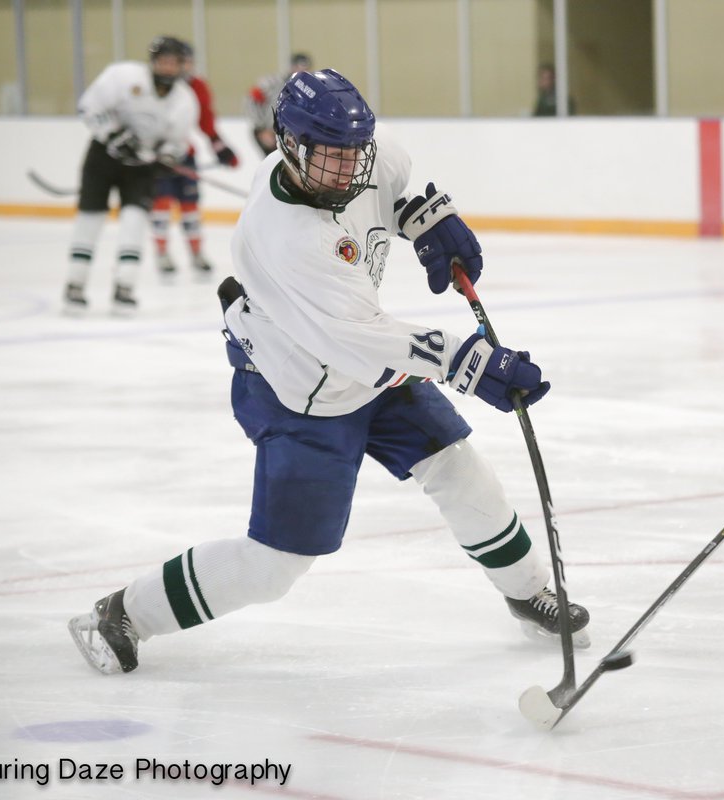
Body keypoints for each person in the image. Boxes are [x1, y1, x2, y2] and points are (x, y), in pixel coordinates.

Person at [68, 68, 590, 675]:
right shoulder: (285, 235)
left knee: (459, 468)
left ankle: (527, 592)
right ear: (286, 144)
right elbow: (360, 341)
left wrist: (429, 217)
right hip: (300, 391)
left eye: (354, 153)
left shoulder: (358, 149)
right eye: (329, 157)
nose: (348, 170)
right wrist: (472, 363)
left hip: (372, 370)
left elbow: (399, 178)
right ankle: (126, 612)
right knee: (273, 566)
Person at [63, 36, 199, 313]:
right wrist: (114, 134)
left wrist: (167, 157)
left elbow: (178, 141)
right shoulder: (122, 76)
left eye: (174, 63)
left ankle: (125, 286)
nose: (168, 68)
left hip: (141, 167)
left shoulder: (185, 99)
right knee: (90, 217)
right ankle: (75, 283)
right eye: (163, 61)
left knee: (135, 220)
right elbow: (88, 107)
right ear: (153, 61)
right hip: (103, 157)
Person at [150, 39, 239, 280]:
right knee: (161, 206)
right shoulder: (152, 85)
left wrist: (220, 147)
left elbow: (206, 121)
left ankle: (196, 253)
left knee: (190, 208)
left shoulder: (195, 86)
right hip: (157, 158)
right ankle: (162, 253)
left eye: (186, 61)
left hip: (184, 155)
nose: (184, 66)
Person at [246, 53, 311, 156]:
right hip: (269, 133)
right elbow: (252, 100)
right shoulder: (273, 83)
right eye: (299, 66)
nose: (302, 70)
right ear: (292, 66)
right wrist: (261, 128)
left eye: (305, 67)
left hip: (291, 137)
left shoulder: (308, 89)